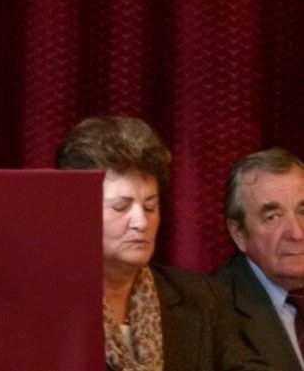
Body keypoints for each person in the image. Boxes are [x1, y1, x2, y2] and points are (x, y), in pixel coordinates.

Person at [56, 116, 274, 371]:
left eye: (150, 206)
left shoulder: (197, 296)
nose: (141, 222)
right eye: (121, 207)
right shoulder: (48, 306)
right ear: (78, 211)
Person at [215, 148, 304, 371]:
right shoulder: (214, 313)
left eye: (303, 212)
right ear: (239, 234)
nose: (297, 233)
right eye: (273, 217)